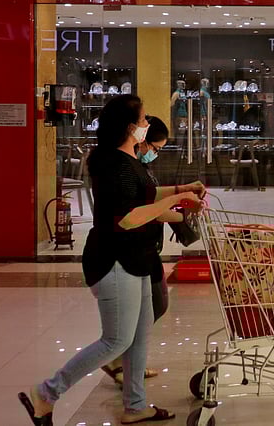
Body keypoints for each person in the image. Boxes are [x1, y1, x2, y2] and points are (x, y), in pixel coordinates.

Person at [19, 95, 204, 426]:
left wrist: (181, 188)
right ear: (131, 126)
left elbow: (143, 195)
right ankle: (47, 393)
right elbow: (128, 217)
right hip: (115, 259)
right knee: (116, 339)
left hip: (139, 257)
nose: (147, 124)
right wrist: (177, 199)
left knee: (139, 334)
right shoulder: (113, 164)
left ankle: (135, 405)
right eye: (144, 119)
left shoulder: (128, 160)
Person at [99, 116, 193, 387]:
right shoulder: (123, 169)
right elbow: (134, 213)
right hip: (130, 250)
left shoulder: (138, 167)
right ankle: (120, 366)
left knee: (155, 306)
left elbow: (150, 197)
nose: (155, 153)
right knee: (147, 311)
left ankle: (129, 373)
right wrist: (176, 213)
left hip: (146, 247)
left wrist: (180, 192)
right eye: (155, 147)